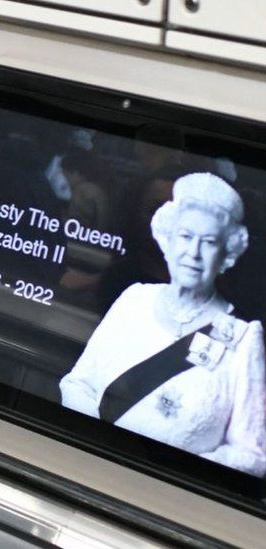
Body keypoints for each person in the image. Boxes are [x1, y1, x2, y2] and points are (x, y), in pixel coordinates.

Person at [59, 173, 266, 476]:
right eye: (185, 236)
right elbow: (77, 384)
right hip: (89, 470)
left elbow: (253, 455)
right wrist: (101, 447)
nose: (193, 254)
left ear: (227, 255)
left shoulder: (244, 339)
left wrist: (175, 472)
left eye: (208, 242)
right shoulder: (134, 299)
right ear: (167, 240)